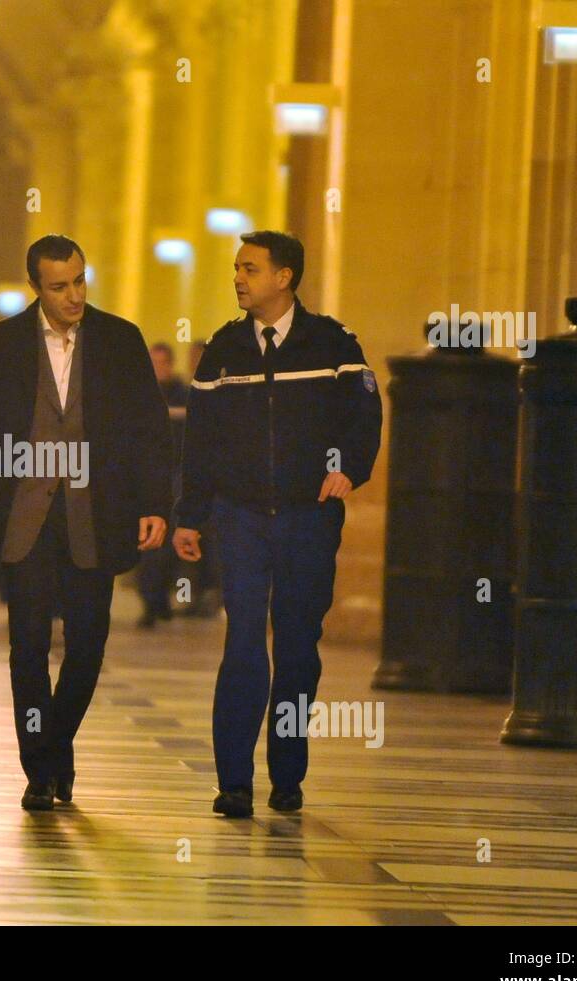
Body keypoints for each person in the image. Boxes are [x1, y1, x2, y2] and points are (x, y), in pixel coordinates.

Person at [0, 234, 171, 811]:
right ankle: (39, 769)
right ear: (36, 288)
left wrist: (155, 504)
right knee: (25, 646)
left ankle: (53, 743)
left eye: (79, 280)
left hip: (94, 515)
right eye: (59, 286)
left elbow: (150, 428)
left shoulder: (121, 341)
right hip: (23, 516)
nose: (74, 294)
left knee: (88, 644)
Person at [173, 230, 382, 818]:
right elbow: (200, 442)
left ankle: (287, 774)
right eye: (237, 268)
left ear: (284, 277)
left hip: (308, 517)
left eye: (250, 268)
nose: (238, 278)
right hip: (240, 518)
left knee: (296, 648)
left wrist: (347, 470)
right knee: (243, 641)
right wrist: (190, 515)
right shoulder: (222, 350)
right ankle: (234, 781)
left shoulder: (334, 344)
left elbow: (365, 415)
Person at [135, 342, 188, 627]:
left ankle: (159, 600)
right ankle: (153, 602)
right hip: (147, 476)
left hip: (176, 476)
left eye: (161, 363)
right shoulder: (139, 394)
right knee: (149, 544)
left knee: (168, 544)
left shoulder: (183, 395)